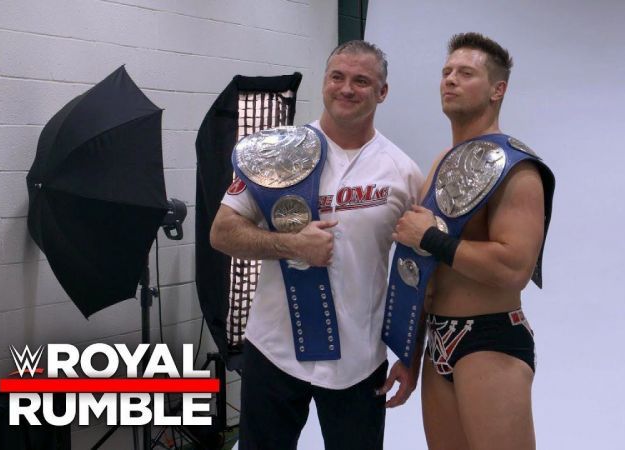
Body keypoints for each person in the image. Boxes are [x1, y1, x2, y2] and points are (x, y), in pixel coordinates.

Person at [210, 40, 424, 450]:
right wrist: (289, 245)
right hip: (274, 351)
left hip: (359, 361)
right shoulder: (275, 154)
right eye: (337, 77)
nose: (346, 89)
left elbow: (417, 271)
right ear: (324, 81)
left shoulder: (403, 171)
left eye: (362, 81)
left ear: (382, 92)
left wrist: (410, 355)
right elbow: (222, 232)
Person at [391, 33, 554, 450]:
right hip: (436, 342)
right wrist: (409, 353)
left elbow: (513, 268)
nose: (450, 80)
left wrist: (429, 237)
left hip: (489, 339)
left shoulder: (517, 169)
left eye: (466, 73)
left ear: (498, 89)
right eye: (446, 72)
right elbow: (428, 273)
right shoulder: (441, 163)